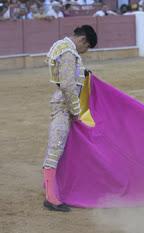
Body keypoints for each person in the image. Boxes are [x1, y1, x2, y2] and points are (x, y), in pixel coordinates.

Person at [43, 25, 97, 212]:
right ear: (83, 40)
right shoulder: (68, 53)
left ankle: (54, 190)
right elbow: (67, 85)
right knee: (55, 148)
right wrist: (75, 112)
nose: (85, 51)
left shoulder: (66, 49)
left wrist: (84, 73)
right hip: (63, 107)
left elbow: (68, 77)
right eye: (87, 47)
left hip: (63, 105)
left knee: (61, 148)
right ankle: (50, 198)